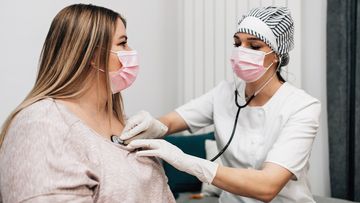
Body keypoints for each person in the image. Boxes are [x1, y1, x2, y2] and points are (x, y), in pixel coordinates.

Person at [120, 6, 321, 203]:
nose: (242, 52)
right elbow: (170, 122)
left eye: (254, 46)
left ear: (277, 54)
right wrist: (152, 124)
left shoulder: (302, 107)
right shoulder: (224, 94)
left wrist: (187, 162)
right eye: (237, 43)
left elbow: (267, 187)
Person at [0, 4, 175, 203]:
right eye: (123, 43)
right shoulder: (43, 125)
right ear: (92, 55)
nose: (132, 51)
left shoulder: (119, 121)